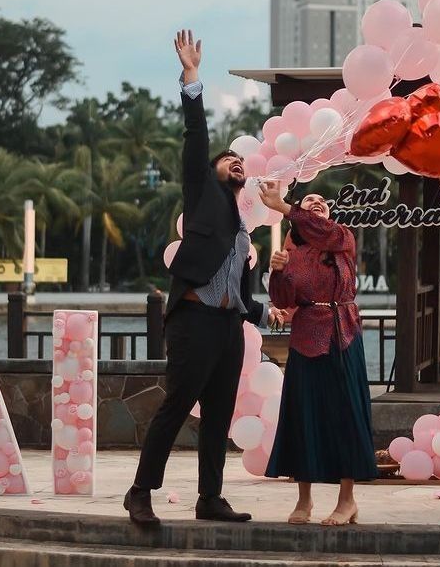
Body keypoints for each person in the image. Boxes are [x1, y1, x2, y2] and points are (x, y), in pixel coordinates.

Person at [125, 29, 278, 527]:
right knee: (176, 408)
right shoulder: (201, 195)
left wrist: (260, 311)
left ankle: (210, 498)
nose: (238, 162)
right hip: (193, 320)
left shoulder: (239, 229)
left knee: (219, 416)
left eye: (243, 162)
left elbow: (238, 289)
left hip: (228, 327)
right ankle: (140, 492)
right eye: (228, 159)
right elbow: (197, 138)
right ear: (210, 171)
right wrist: (192, 78)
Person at [258, 181, 377, 526]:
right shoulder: (291, 250)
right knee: (303, 414)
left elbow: (319, 228)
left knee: (347, 414)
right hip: (306, 334)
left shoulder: (341, 238)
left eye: (321, 202)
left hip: (344, 333)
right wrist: (277, 272)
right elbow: (283, 301)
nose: (315, 203)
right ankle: (304, 500)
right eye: (308, 200)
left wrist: (285, 206)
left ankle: (347, 500)